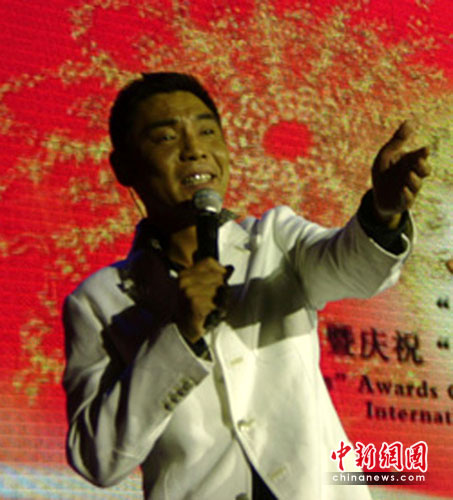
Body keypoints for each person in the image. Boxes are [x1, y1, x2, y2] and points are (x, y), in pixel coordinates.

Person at [62, 72, 431, 500]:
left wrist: (382, 213)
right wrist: (179, 337)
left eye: (207, 132)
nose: (194, 149)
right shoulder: (98, 302)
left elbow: (353, 268)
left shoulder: (274, 239)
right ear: (123, 166)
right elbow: (97, 458)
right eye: (166, 137)